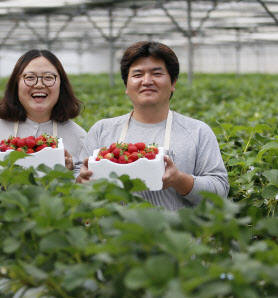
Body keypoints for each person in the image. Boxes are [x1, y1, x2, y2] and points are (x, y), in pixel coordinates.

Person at [76, 41, 229, 210]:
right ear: (126, 85)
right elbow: (78, 183)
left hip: (178, 235)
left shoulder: (198, 132)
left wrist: (180, 180)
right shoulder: (102, 130)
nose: (147, 81)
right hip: (114, 234)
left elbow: (220, 192)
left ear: (173, 83)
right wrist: (81, 181)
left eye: (157, 73)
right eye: (137, 74)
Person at [0, 49, 86, 171]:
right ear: (16, 84)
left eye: (48, 77)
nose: (39, 84)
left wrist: (72, 176)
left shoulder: (79, 137)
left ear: (61, 84)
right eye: (30, 77)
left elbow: (89, 185)